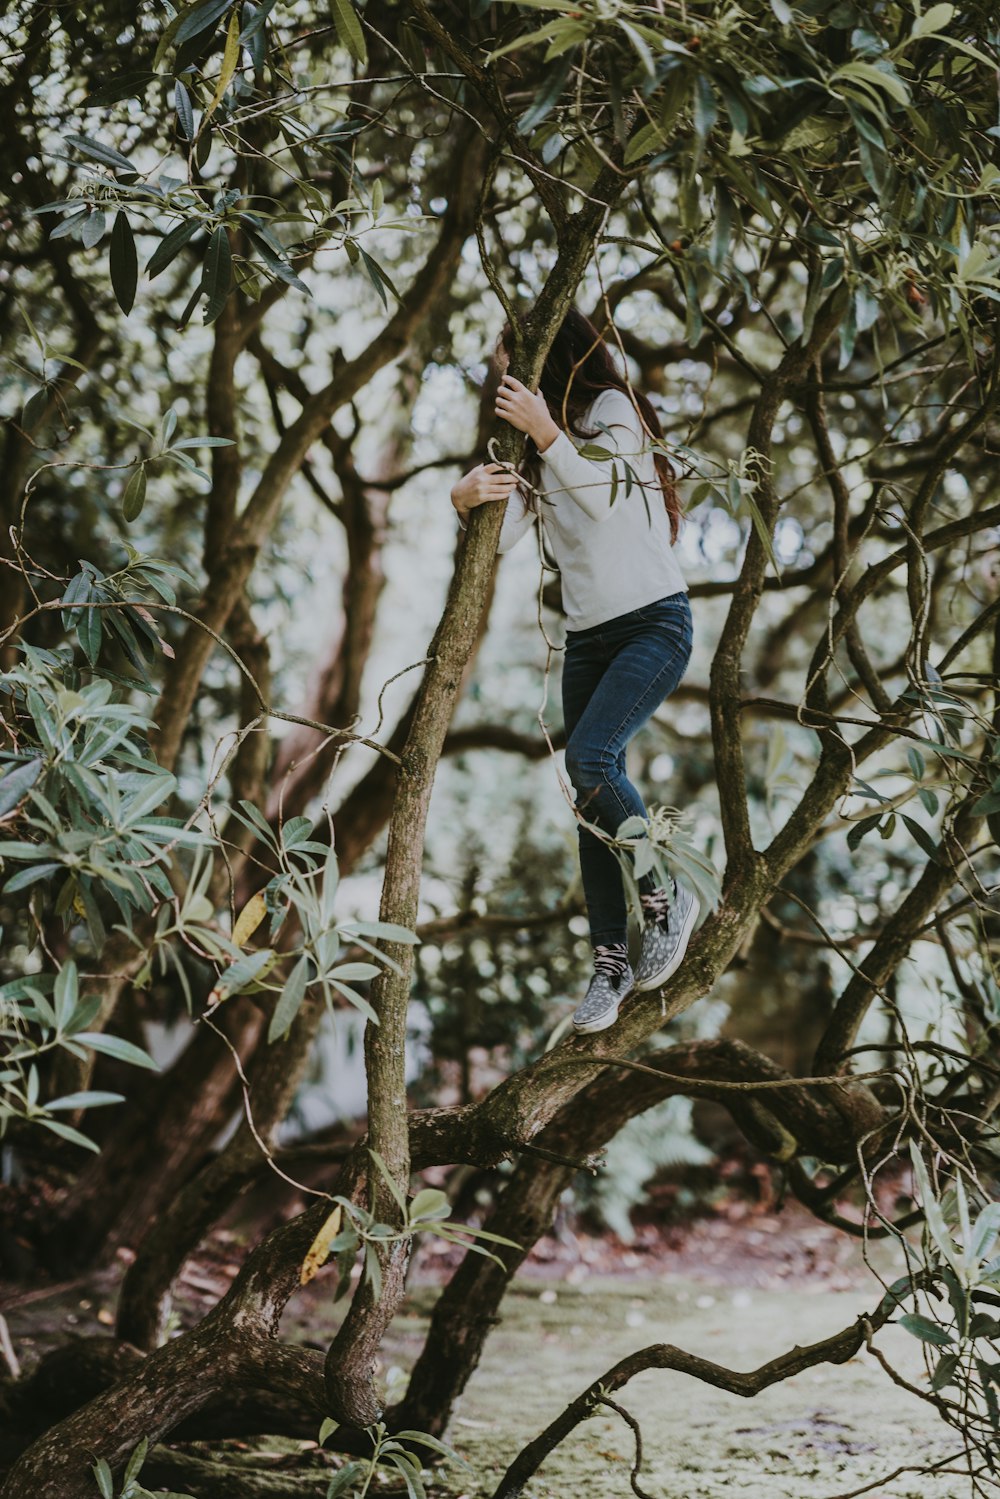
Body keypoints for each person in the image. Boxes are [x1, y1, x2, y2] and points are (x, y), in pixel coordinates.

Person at [449, 307, 697, 1034]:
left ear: (548, 356)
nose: (504, 376)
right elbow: (497, 542)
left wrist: (544, 431)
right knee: (588, 800)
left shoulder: (615, 411)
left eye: (511, 361)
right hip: (588, 639)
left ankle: (665, 894)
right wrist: (461, 501)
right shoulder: (536, 449)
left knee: (591, 757)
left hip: (656, 622)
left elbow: (598, 496)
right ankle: (609, 965)